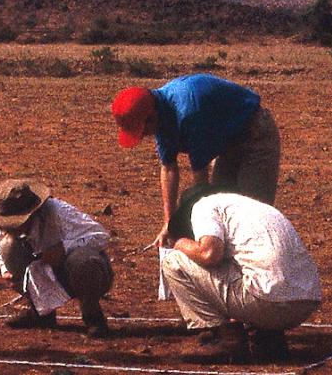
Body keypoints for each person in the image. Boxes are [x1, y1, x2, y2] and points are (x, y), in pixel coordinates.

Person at [111, 73, 280, 247]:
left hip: (256, 134)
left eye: (143, 131)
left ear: (151, 117)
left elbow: (201, 186)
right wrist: (169, 225)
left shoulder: (188, 112)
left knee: (252, 217)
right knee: (222, 214)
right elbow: (169, 168)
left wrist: (189, 235)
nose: (145, 137)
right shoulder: (159, 111)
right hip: (228, 144)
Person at [161, 184, 320, 364]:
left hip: (268, 303)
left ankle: (227, 339)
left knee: (173, 261)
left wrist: (181, 243)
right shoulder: (252, 208)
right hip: (305, 302)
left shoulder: (202, 206)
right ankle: (268, 337)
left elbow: (209, 254)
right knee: (250, 266)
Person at [0, 178, 113, 338]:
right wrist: (5, 269)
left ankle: (93, 317)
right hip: (40, 270)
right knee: (8, 248)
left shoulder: (59, 212)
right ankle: (41, 314)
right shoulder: (3, 217)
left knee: (83, 260)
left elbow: (100, 236)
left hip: (70, 271)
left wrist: (64, 248)